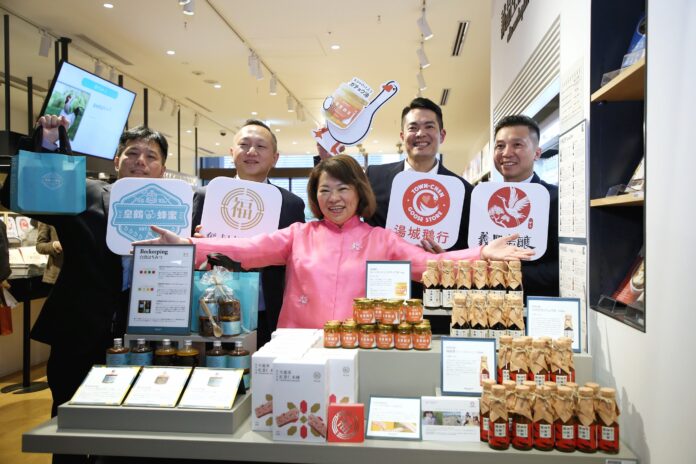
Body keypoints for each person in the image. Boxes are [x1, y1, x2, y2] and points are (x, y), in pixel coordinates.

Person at [140, 155, 533, 329]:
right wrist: (188, 245)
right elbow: (247, 249)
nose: (334, 198)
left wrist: (483, 253)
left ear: (359, 192)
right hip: (297, 350)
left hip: (357, 347)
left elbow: (432, 266)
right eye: (325, 190)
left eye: (343, 188)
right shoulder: (298, 235)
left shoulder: (382, 239)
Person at [1, 116, 168, 424]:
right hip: (80, 331)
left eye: (151, 156)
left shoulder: (175, 208)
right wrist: (45, 145)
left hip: (147, 334)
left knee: (140, 421)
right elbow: (20, 195)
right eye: (132, 153)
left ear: (163, 169)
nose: (140, 161)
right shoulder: (83, 193)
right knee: (70, 419)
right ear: (117, 161)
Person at [192, 120, 305, 346]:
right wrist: (198, 243)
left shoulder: (291, 204)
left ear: (275, 158)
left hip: (268, 309)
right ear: (231, 152)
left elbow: (298, 260)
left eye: (261, 146)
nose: (251, 152)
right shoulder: (206, 196)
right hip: (212, 308)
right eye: (244, 145)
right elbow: (187, 254)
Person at [493, 114, 559, 297]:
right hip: (486, 304)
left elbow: (563, 265)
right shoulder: (482, 199)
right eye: (500, 146)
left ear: (537, 153)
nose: (506, 153)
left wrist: (509, 274)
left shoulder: (555, 199)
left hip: (534, 303)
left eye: (517, 145)